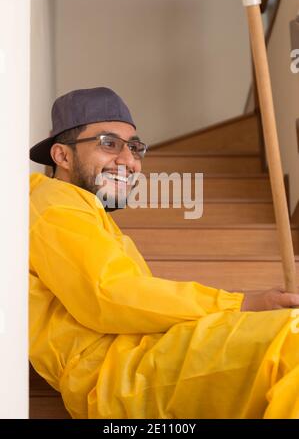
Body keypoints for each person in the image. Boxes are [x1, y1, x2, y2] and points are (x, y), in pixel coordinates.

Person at [29, 87, 299, 419]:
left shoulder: (88, 215)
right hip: (118, 376)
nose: (129, 160)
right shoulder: (51, 202)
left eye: (134, 148)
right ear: (63, 156)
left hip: (149, 356)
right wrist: (241, 303)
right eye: (108, 143)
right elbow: (108, 295)